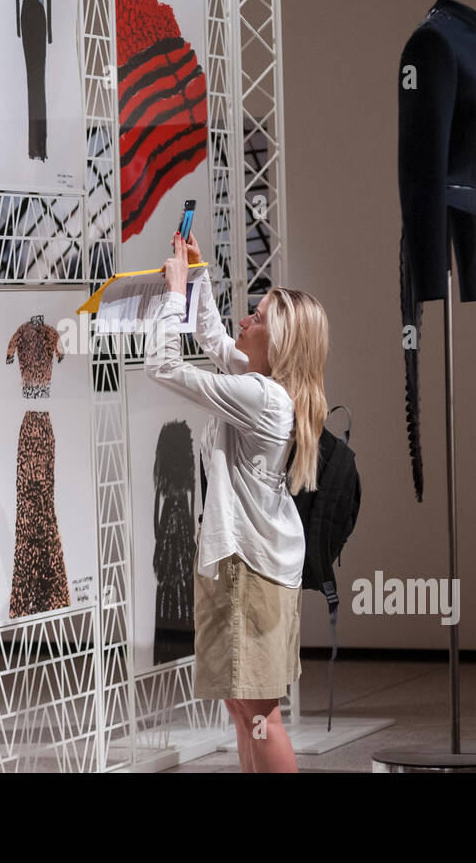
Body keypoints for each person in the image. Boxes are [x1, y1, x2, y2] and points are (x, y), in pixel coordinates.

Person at [145, 231, 329, 773]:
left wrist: (174, 295)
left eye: (258, 316)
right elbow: (215, 340)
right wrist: (198, 276)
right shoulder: (262, 384)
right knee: (240, 703)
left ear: (282, 343)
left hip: (249, 570)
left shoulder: (262, 398)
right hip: (243, 563)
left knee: (259, 712)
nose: (244, 320)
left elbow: (164, 367)